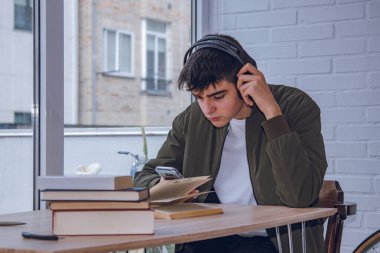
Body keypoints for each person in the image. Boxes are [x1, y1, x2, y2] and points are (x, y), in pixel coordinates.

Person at [134, 34, 327, 253]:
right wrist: (164, 187)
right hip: (210, 238)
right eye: (199, 97)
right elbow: (146, 175)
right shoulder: (192, 119)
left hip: (275, 242)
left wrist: (272, 114)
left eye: (218, 96)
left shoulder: (295, 107)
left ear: (244, 80)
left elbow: (300, 195)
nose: (208, 109)